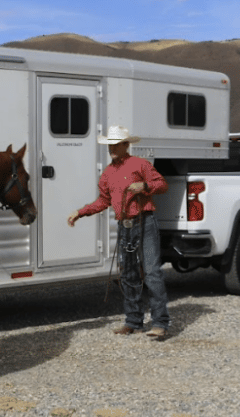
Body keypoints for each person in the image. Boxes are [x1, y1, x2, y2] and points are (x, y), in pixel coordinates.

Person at [67, 125, 170, 340]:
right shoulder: (107, 174)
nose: (112, 148)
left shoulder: (140, 164)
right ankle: (133, 321)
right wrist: (81, 212)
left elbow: (161, 184)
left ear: (125, 145)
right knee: (128, 274)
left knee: (151, 273)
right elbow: (103, 201)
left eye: (116, 144)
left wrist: (144, 186)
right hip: (125, 226)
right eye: (109, 145)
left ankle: (160, 323)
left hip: (145, 221)